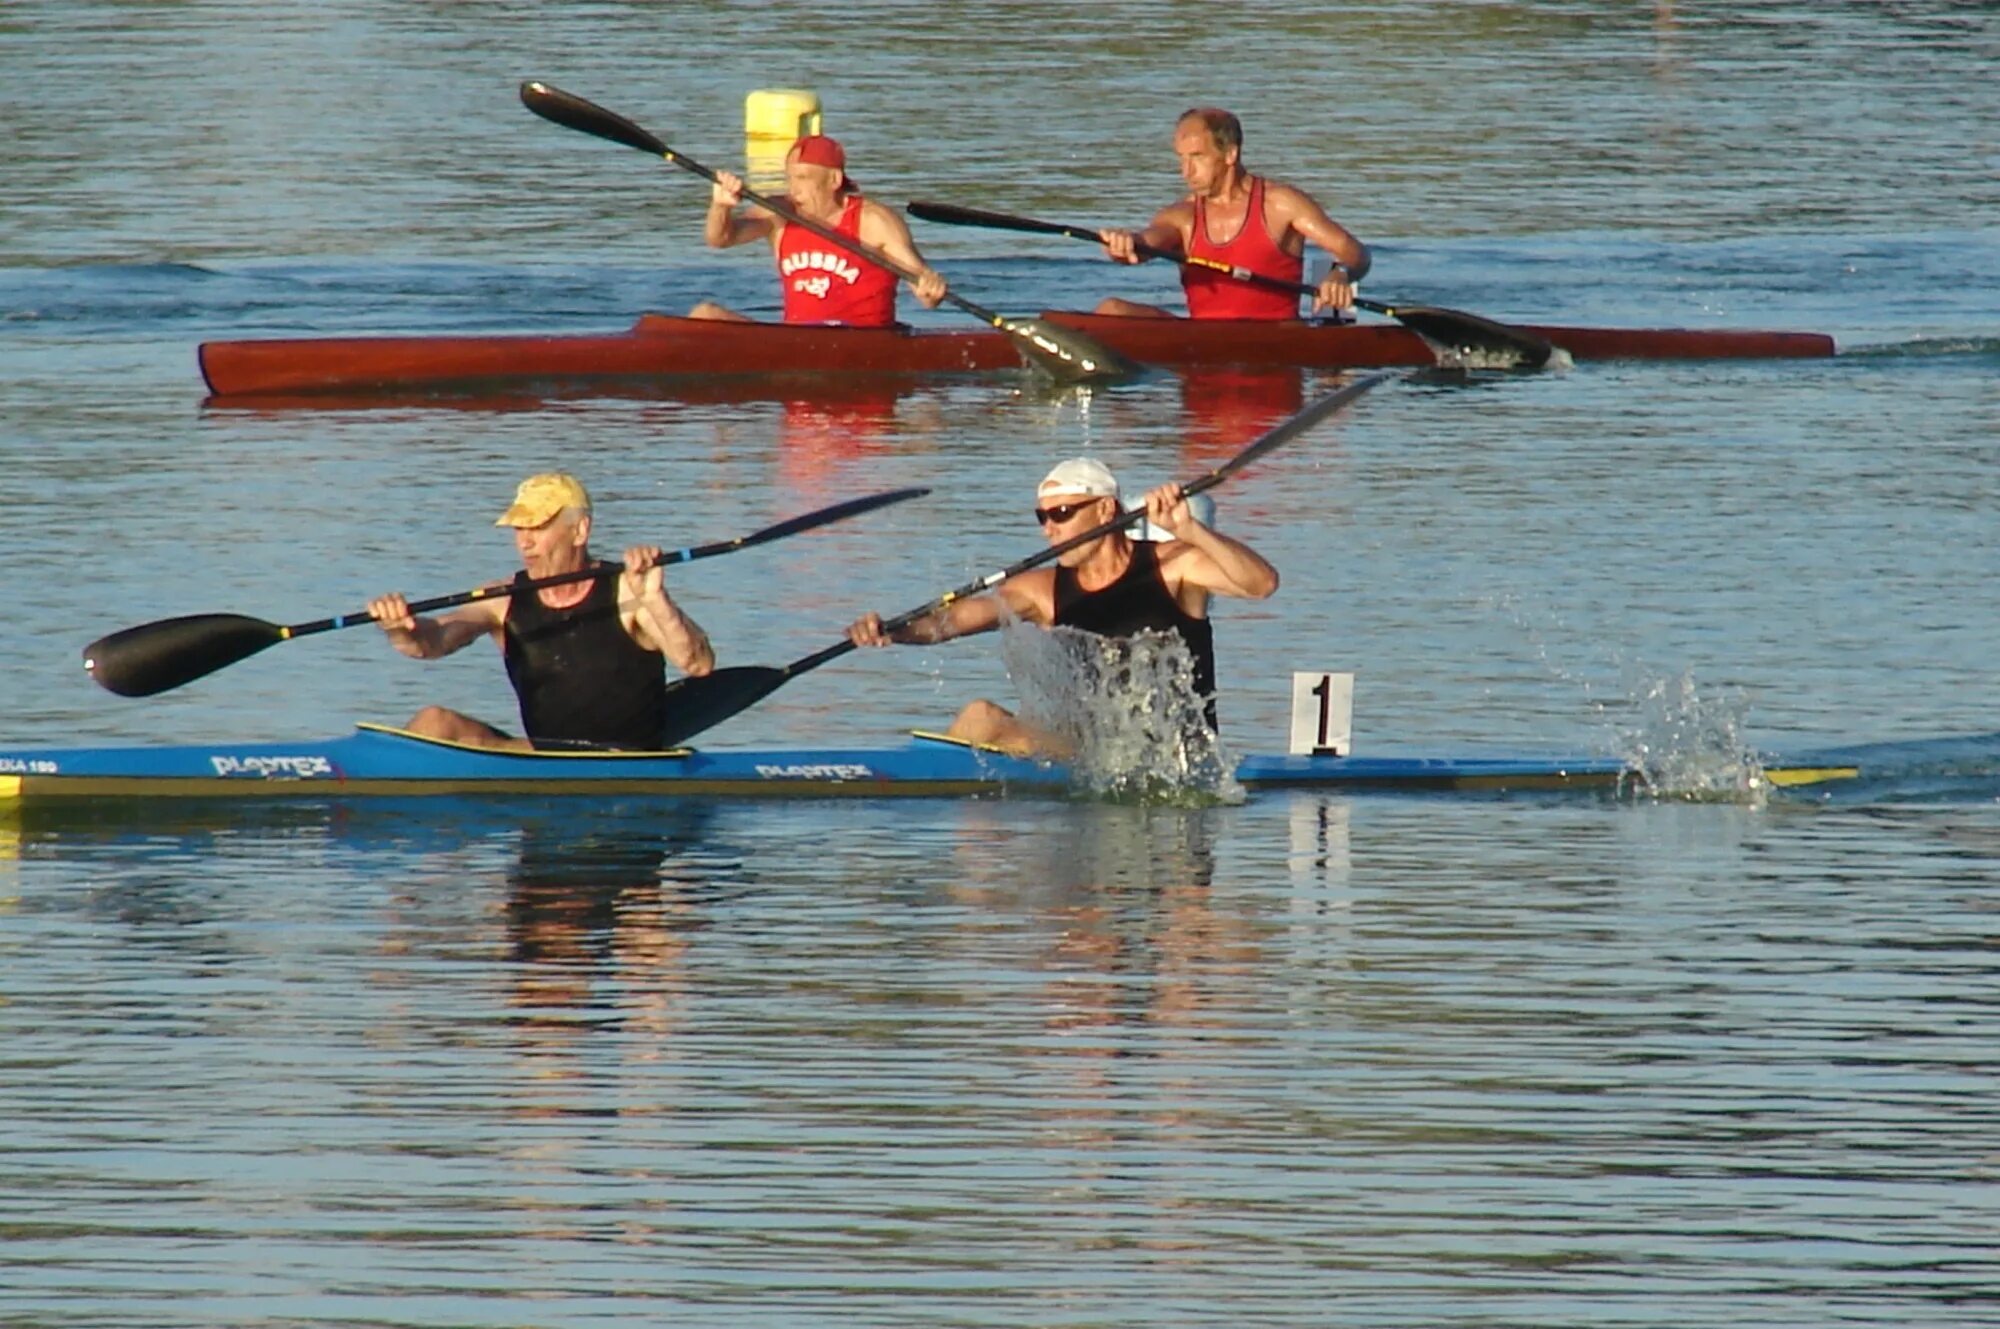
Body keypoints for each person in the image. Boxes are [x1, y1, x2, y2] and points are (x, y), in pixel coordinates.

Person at [846, 458, 1279, 757]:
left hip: (1176, 753)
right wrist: (895, 630)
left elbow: (1262, 585)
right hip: (1094, 752)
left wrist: (1191, 530)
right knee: (980, 717)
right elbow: (955, 620)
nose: (1050, 530)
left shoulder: (1175, 566)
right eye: (1043, 518)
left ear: (1106, 510)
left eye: (1063, 514)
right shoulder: (1042, 589)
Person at [368, 473, 715, 751]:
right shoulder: (500, 599)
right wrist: (401, 629)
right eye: (520, 528)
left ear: (579, 531)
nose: (525, 542)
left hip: (625, 759)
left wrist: (655, 598)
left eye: (538, 527)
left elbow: (698, 663)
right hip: (545, 756)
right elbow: (433, 641)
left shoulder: (628, 590)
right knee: (434, 722)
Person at [1095, 107, 1372, 321]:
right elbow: (1145, 245)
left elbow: (1356, 253)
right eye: (1181, 158)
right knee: (1111, 310)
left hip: (1277, 334)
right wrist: (1124, 246)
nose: (1185, 172)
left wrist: (1341, 274)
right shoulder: (1181, 215)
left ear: (1230, 154)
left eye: (1197, 157)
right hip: (1203, 335)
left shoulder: (1281, 204)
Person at [690, 134, 949, 327]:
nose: (794, 190)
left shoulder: (874, 221)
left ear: (834, 180)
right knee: (704, 315)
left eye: (803, 179)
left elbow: (925, 295)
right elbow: (720, 239)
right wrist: (720, 206)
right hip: (797, 342)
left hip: (864, 342)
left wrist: (931, 288)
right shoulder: (779, 213)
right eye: (789, 178)